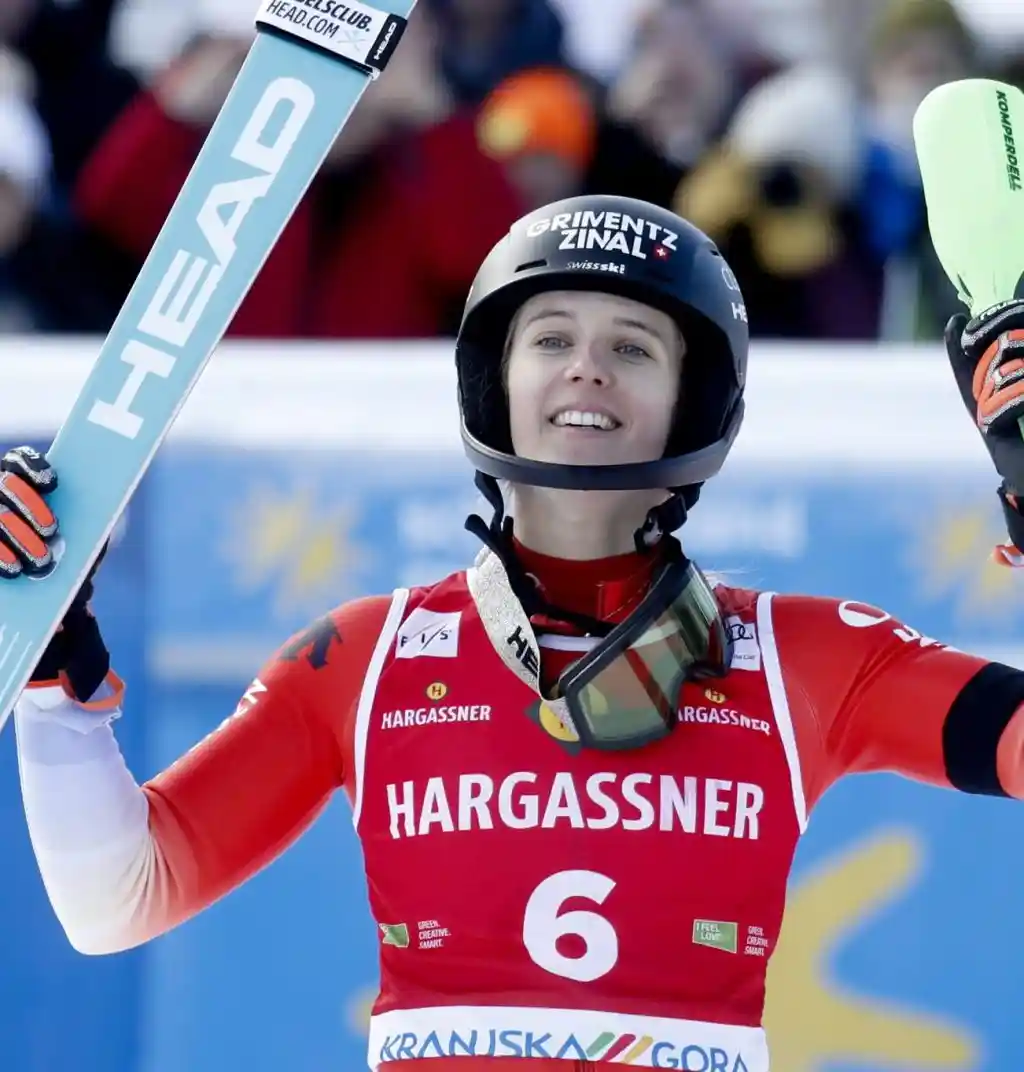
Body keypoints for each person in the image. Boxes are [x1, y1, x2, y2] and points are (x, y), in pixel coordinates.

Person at [6, 193, 1024, 1072]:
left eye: (632, 348)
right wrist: (52, 670)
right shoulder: (361, 658)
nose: (587, 371)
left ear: (695, 399)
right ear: (494, 379)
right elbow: (116, 902)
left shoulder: (805, 657)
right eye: (550, 339)